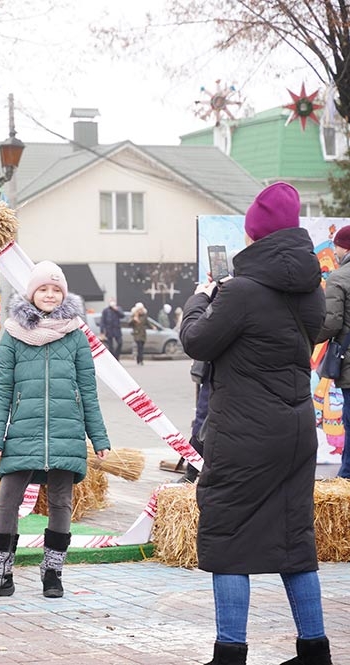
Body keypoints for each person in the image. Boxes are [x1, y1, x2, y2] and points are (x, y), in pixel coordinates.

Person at [179, 182, 331, 665]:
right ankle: (314, 649)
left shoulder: (239, 290)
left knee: (228, 538)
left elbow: (197, 341)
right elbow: (311, 331)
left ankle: (230, 653)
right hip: (295, 430)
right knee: (295, 539)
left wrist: (200, 299)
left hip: (244, 433)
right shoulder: (311, 288)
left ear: (254, 235)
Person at [0, 261, 111, 601]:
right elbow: (1, 389)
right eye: (43, 289)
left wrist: (99, 437)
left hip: (66, 430)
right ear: (32, 294)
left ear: (64, 295)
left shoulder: (76, 337)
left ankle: (52, 574)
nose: (49, 294)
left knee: (61, 502)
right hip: (23, 432)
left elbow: (88, 390)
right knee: (7, 501)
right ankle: (0, 575)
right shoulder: (14, 336)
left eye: (56, 289)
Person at [316, 224, 350, 480]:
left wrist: (306, 339)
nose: (334, 251)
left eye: (336, 245)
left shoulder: (339, 277)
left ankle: (347, 476)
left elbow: (331, 323)